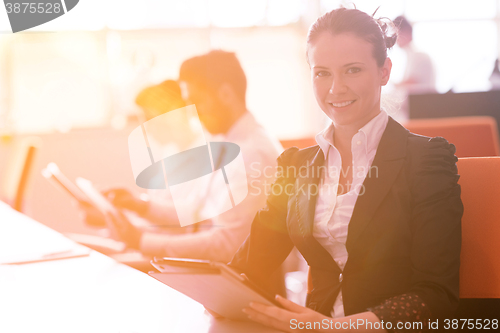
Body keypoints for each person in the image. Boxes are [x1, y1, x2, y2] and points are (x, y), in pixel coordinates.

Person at [226, 7, 462, 332]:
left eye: (352, 70)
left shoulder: (427, 160)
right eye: (322, 72)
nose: (335, 88)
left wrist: (334, 327)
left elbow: (436, 295)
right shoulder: (296, 166)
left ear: (384, 71)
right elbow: (248, 265)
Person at [83, 51, 284, 264]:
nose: (193, 114)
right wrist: (140, 205)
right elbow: (196, 214)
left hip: (238, 283)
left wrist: (142, 240)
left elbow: (227, 245)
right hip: (216, 272)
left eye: (197, 102)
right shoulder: (224, 144)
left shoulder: (251, 154)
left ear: (226, 94)